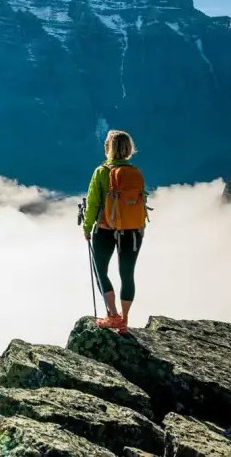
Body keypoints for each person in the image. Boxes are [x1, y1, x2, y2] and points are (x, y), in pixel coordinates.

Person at [82, 129, 147, 335]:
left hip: (105, 228)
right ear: (129, 149)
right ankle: (124, 321)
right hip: (134, 230)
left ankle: (112, 315)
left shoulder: (101, 172)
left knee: (101, 270)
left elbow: (92, 203)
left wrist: (86, 227)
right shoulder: (135, 172)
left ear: (108, 148)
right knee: (127, 274)